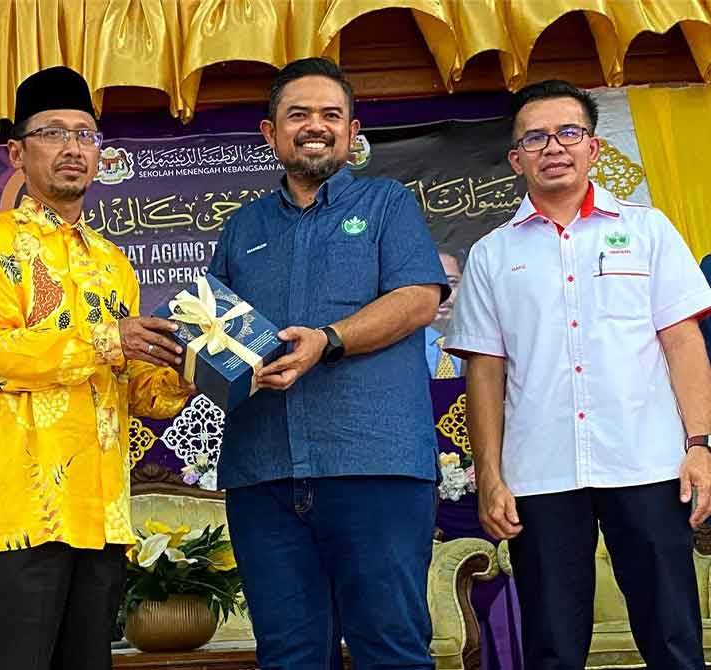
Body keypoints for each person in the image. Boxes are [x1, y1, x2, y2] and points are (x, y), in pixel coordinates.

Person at [446, 79, 711, 669]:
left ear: (593, 147)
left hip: (647, 461)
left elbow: (683, 342)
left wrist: (700, 445)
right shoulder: (491, 253)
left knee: (673, 638)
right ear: (516, 159)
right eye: (535, 138)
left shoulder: (648, 230)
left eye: (569, 132)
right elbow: (485, 372)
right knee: (552, 646)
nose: (553, 147)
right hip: (541, 473)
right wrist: (489, 474)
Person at [0, 66, 194, 670]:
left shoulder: (114, 262)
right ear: (16, 152)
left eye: (85, 135)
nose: (72, 149)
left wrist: (190, 372)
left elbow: (136, 391)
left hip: (100, 519)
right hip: (16, 515)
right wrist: (110, 339)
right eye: (53, 133)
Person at [207, 57, 448, 669]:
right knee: (287, 656)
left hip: (376, 467)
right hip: (263, 476)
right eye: (298, 115)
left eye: (330, 115)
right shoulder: (241, 229)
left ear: (351, 130)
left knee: (390, 649)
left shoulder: (388, 203)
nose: (315, 126)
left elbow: (419, 298)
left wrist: (328, 340)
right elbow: (213, 337)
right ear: (271, 133)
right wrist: (177, 354)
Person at [425, 247, 463, 378]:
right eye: (433, 284)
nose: (444, 295)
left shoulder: (483, 343)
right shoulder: (401, 348)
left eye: (452, 282)